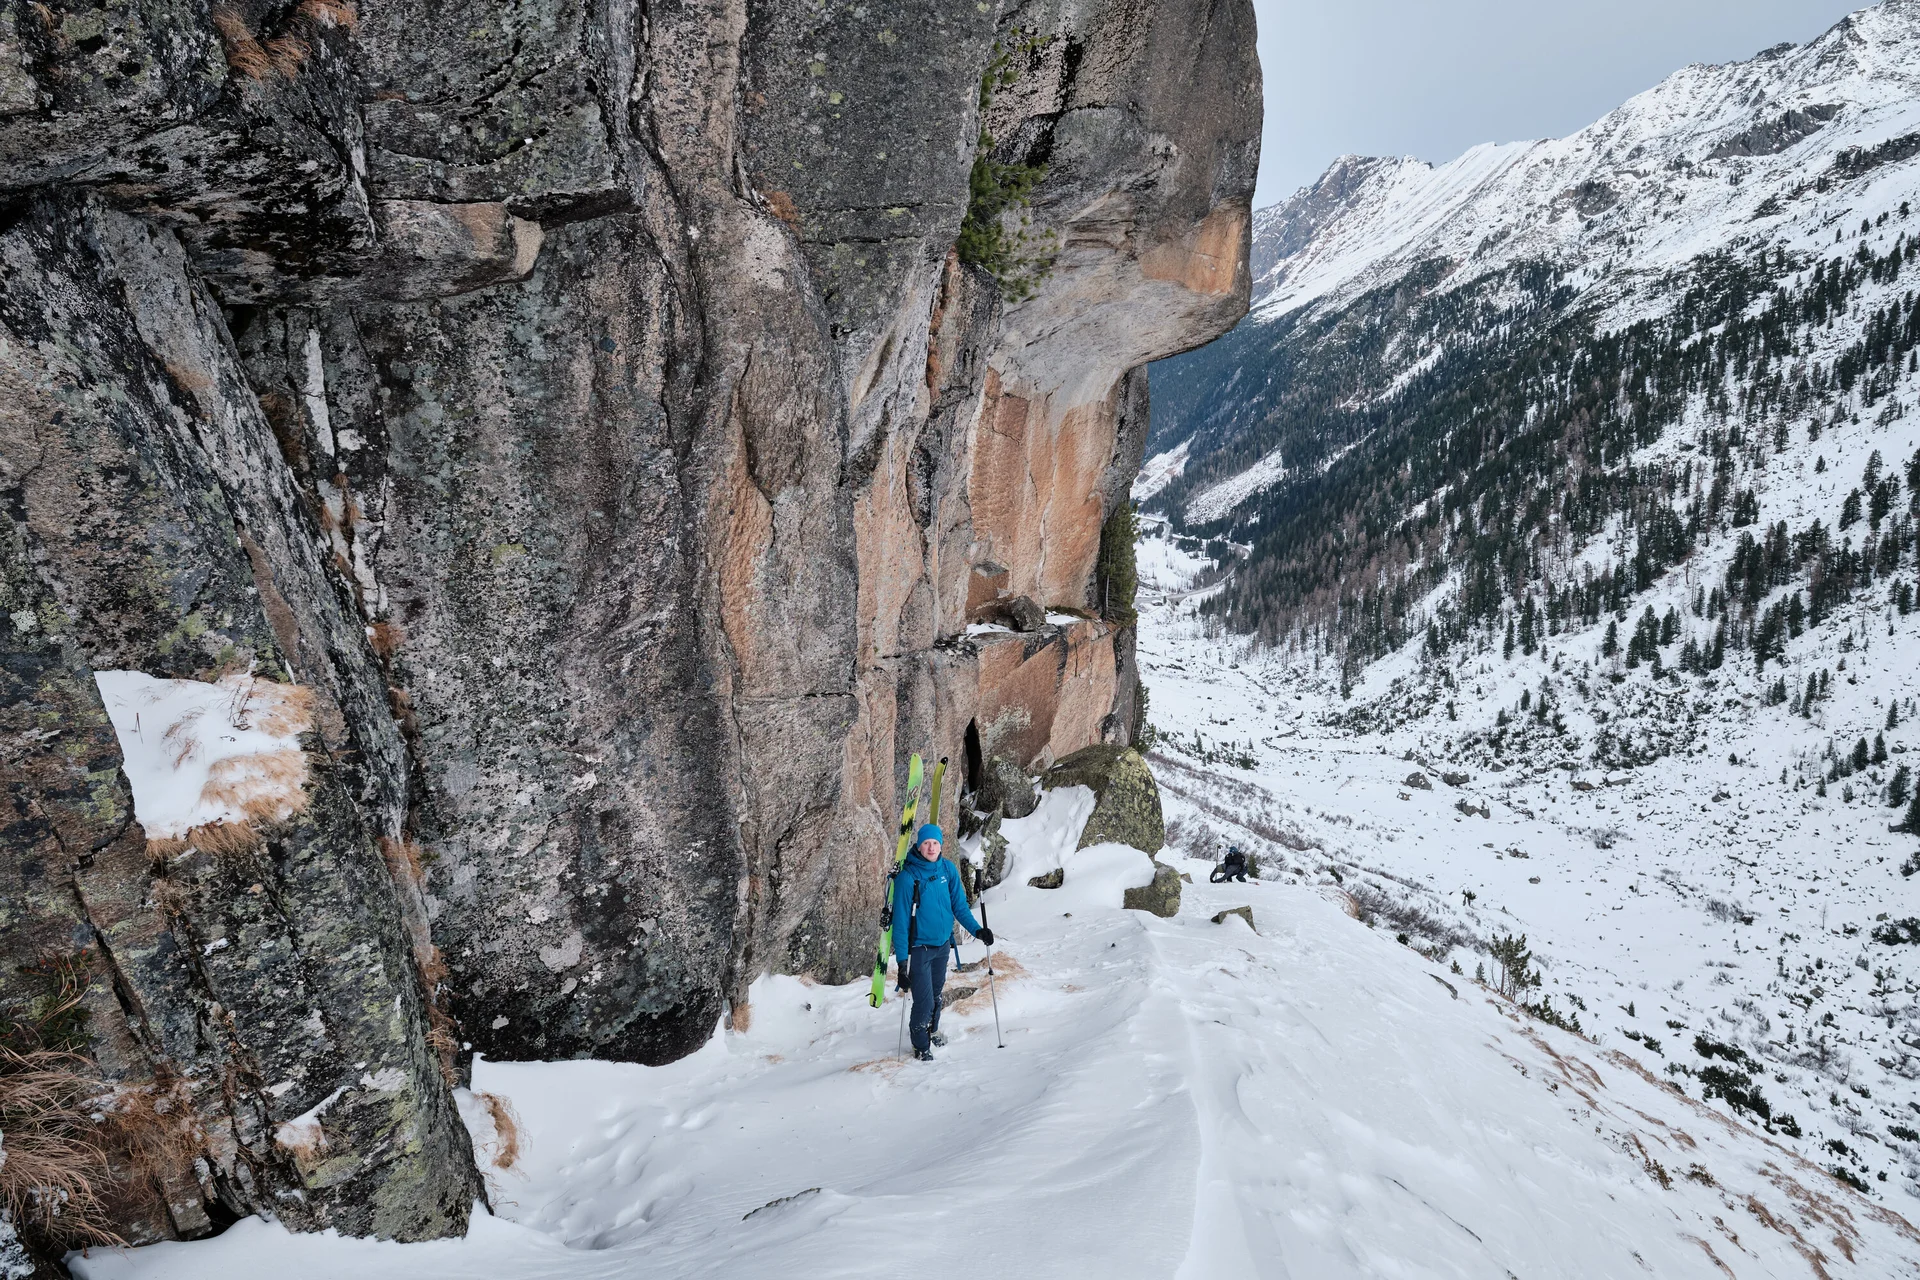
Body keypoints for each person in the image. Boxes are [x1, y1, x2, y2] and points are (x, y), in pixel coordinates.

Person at [893, 823, 992, 1061]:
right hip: (918, 949)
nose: (931, 847)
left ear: (941, 845)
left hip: (942, 947)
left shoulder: (947, 870)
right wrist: (901, 964)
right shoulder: (908, 878)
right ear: (919, 845)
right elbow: (901, 922)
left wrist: (978, 931)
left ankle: (932, 1030)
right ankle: (920, 1045)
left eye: (935, 843)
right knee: (924, 1002)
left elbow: (959, 906)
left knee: (936, 996)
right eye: (926, 843)